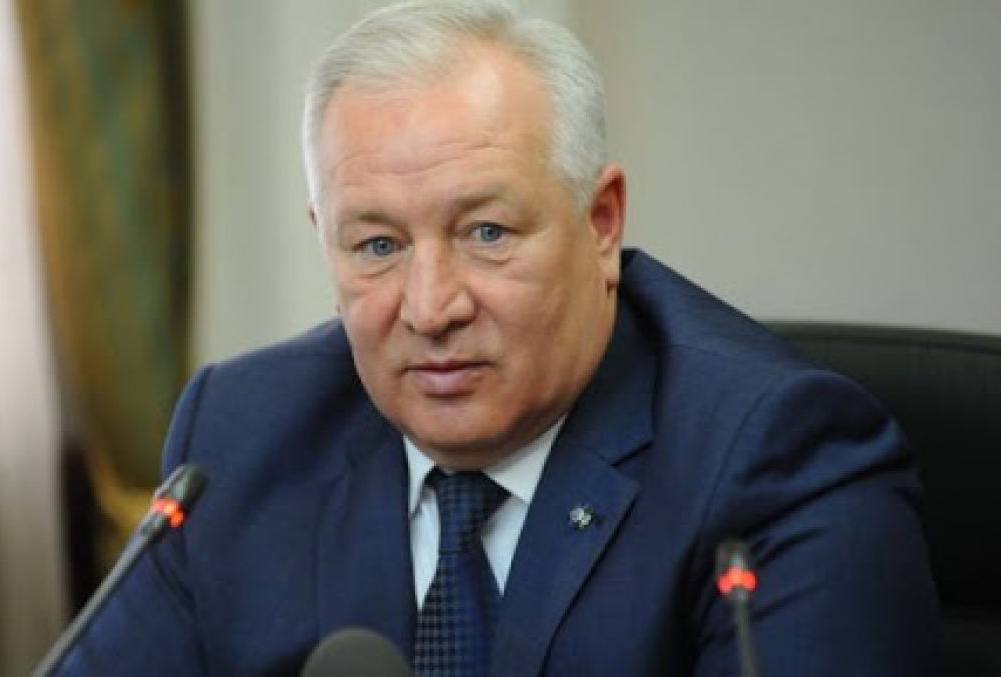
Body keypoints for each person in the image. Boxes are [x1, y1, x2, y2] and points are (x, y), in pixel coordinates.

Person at [62, 1, 939, 675]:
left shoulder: (778, 463)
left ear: (600, 222)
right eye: (378, 246)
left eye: (486, 232)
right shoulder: (241, 435)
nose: (430, 307)